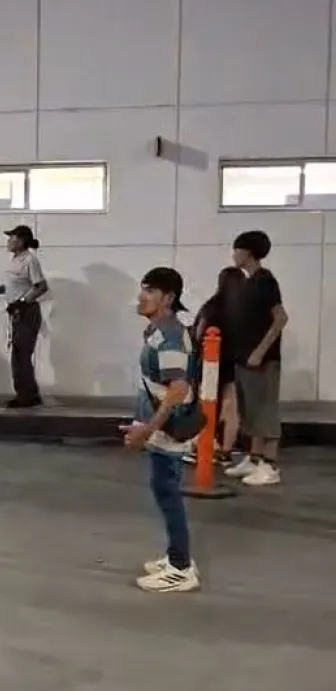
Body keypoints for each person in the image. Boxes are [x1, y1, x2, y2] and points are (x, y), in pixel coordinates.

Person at [120, 267, 200, 594]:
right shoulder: (156, 330)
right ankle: (176, 557)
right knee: (163, 487)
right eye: (142, 289)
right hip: (161, 423)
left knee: (167, 491)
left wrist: (149, 428)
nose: (141, 296)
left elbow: (177, 387)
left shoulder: (168, 335)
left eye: (150, 290)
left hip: (171, 424)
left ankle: (180, 568)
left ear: (168, 298)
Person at [224, 230, 287, 486]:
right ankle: (254, 457)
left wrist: (260, 351)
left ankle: (270, 466)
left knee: (265, 410)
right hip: (243, 358)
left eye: (237, 249)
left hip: (262, 359)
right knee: (249, 410)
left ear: (248, 252)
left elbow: (280, 318)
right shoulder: (246, 282)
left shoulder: (265, 280)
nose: (234, 254)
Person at [0, 225, 48, 408]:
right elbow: (13, 285)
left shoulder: (30, 260)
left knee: (21, 355)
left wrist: (22, 302)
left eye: (12, 238)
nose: (8, 241)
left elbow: (41, 286)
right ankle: (30, 394)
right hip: (16, 313)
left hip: (26, 313)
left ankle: (25, 397)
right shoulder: (15, 260)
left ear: (21, 241)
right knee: (19, 355)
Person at [189, 266, 246, 465]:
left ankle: (204, 445)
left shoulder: (212, 306)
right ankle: (226, 449)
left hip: (210, 361)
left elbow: (198, 333)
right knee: (230, 406)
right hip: (234, 361)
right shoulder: (243, 308)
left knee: (206, 402)